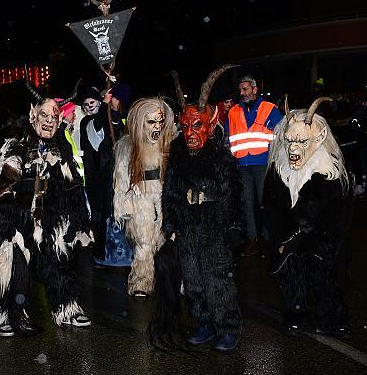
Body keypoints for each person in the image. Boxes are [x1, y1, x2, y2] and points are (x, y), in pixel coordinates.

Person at [150, 65, 244, 352]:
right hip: (188, 229)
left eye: (198, 126)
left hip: (214, 228)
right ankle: (203, 322)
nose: (191, 132)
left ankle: (226, 327)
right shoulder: (178, 155)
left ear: (211, 125)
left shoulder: (221, 158)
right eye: (187, 126)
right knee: (192, 280)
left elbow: (234, 195)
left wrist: (234, 227)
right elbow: (170, 192)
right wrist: (170, 225)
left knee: (218, 280)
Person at [0, 81, 93, 337]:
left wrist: (81, 224)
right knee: (14, 268)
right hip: (21, 221)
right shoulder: (17, 146)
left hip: (51, 219)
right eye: (44, 115)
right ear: (33, 114)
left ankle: (67, 309)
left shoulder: (63, 149)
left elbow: (74, 187)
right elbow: (3, 189)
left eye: (54, 117)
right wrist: (6, 227)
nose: (49, 121)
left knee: (59, 261)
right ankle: (9, 315)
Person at [264, 97, 352, 338]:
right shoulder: (277, 171)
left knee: (325, 278)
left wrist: (320, 234)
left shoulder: (330, 172)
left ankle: (330, 317)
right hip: (290, 239)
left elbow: (340, 211)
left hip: (320, 239)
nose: (293, 148)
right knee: (291, 276)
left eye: (302, 141)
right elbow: (271, 206)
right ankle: (295, 314)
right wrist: (283, 236)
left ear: (319, 138)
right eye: (290, 140)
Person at [113, 97, 176, 298]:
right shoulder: (128, 146)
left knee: (169, 239)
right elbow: (122, 177)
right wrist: (124, 206)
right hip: (140, 196)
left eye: (160, 122)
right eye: (151, 122)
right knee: (144, 241)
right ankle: (142, 281)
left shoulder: (171, 143)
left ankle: (175, 281)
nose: (157, 127)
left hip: (165, 194)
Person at [225, 75, 283, 258]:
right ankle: (252, 240)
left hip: (263, 163)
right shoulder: (233, 111)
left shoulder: (270, 109)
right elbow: (227, 136)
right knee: (247, 204)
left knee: (264, 202)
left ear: (255, 89)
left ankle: (267, 239)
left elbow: (281, 134)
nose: (242, 93)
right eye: (240, 90)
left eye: (246, 89)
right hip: (241, 165)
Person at [79, 85, 129, 266]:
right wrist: (105, 105)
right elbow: (97, 126)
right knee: (100, 214)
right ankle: (102, 252)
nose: (89, 106)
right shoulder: (87, 122)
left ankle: (120, 252)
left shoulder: (111, 116)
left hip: (113, 175)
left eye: (92, 102)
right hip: (96, 178)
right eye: (86, 104)